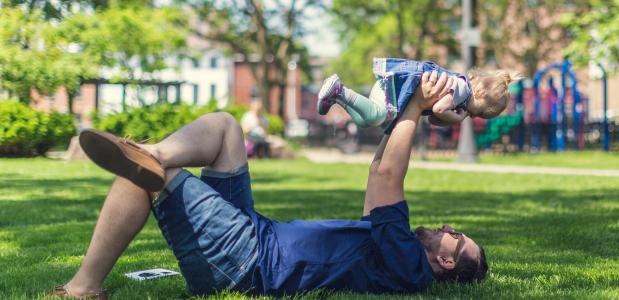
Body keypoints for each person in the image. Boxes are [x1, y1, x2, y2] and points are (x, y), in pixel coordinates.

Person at [50, 71, 487, 299]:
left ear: (447, 263)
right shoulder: (391, 247)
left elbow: (392, 175)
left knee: (150, 179)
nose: (449, 228)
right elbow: (379, 172)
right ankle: (154, 153)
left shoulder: (407, 265)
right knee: (225, 128)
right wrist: (420, 111)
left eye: (457, 237)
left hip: (246, 263)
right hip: (254, 236)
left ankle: (84, 288)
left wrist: (416, 103)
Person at [317, 57, 523, 132]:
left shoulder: (459, 96)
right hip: (395, 87)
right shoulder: (461, 89)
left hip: (393, 89)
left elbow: (434, 118)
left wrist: (450, 119)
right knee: (376, 116)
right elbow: (438, 109)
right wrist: (457, 117)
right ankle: (339, 89)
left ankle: (336, 98)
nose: (472, 115)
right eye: (478, 113)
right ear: (478, 92)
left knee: (365, 122)